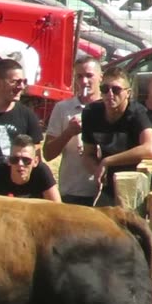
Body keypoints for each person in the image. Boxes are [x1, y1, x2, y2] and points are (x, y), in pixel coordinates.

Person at [80, 69, 152, 207]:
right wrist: (97, 170)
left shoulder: (136, 112)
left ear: (128, 93)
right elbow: (87, 154)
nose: (109, 94)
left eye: (116, 90)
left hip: (136, 186)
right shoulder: (90, 112)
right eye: (104, 89)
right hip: (108, 186)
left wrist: (107, 161)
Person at [43, 57, 102, 206]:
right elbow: (48, 154)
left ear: (100, 77)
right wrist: (68, 133)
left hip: (102, 189)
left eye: (89, 76)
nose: (84, 82)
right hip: (73, 191)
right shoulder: (63, 108)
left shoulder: (109, 108)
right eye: (79, 76)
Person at [0, 134, 60, 200]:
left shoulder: (42, 172)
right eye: (15, 159)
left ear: (35, 161)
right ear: (8, 160)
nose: (20, 164)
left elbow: (57, 208)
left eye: (26, 160)